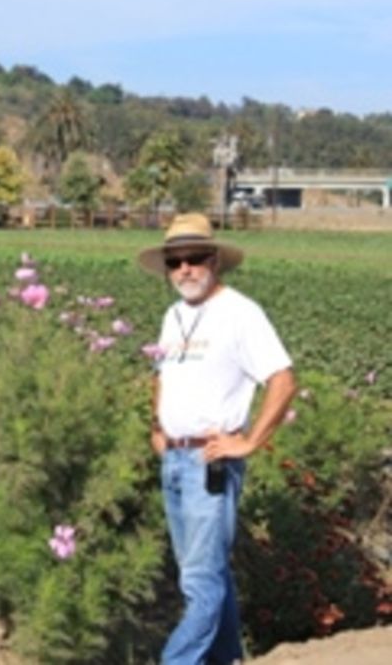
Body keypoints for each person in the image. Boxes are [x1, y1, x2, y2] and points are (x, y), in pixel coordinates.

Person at [138, 213, 297, 665]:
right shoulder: (174, 316)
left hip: (210, 462)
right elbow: (161, 374)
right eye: (175, 262)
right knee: (208, 573)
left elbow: (282, 381)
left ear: (215, 261)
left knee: (199, 580)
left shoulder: (241, 314)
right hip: (174, 459)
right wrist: (157, 426)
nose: (185, 269)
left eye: (194, 259)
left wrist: (248, 443)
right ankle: (227, 659)